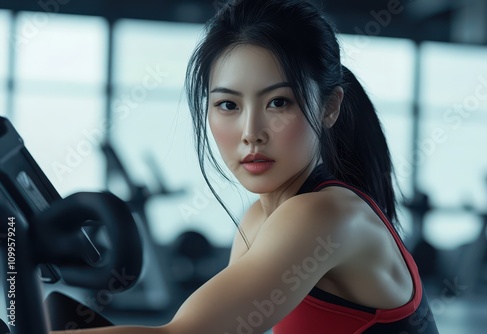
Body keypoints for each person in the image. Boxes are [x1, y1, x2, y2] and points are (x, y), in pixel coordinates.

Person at [52, 0, 439, 333]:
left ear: (329, 107)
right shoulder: (259, 219)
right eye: (228, 105)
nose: (251, 133)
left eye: (278, 103)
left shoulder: (326, 213)